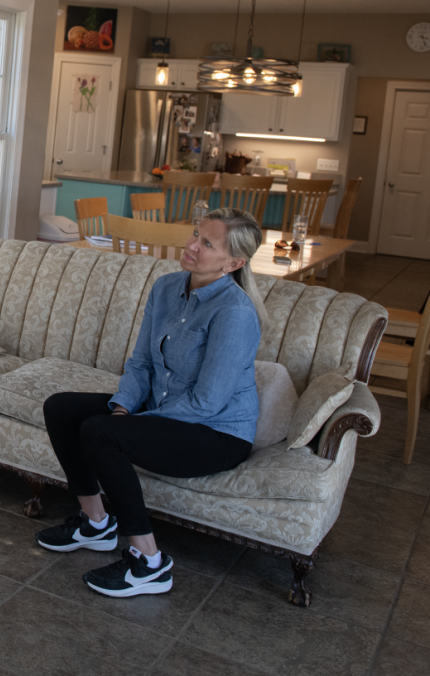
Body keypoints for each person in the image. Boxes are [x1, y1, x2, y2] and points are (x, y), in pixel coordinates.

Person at [35, 207, 265, 597]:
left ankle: (149, 563)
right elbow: (141, 361)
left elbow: (207, 403)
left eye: (206, 243)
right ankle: (95, 524)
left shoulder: (234, 312)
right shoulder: (166, 288)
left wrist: (136, 421)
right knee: (61, 408)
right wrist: (125, 406)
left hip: (215, 435)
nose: (191, 245)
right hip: (164, 410)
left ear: (233, 262)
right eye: (195, 234)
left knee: (101, 432)